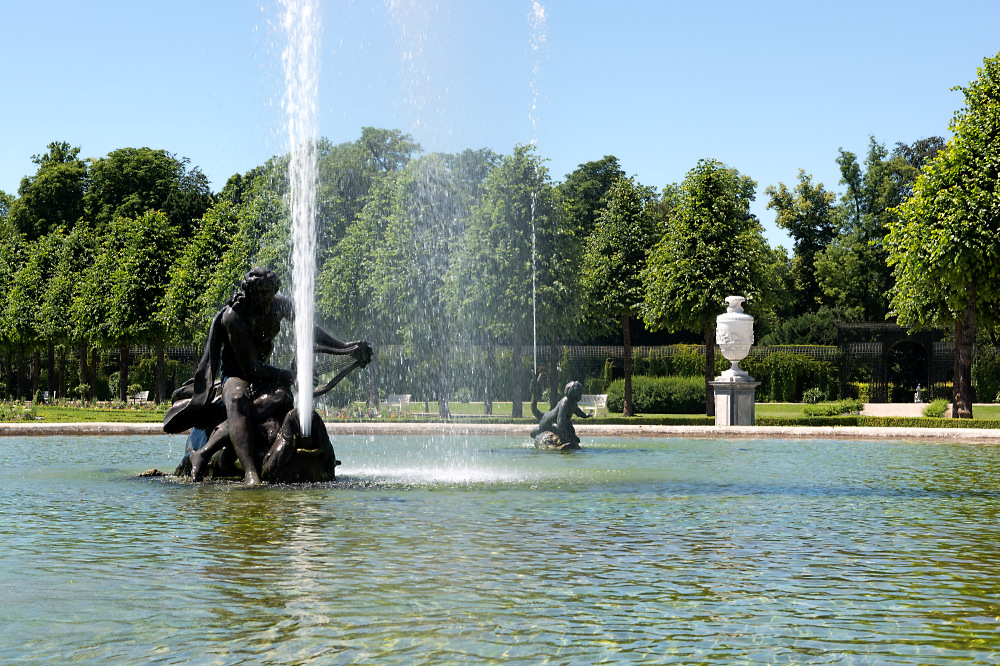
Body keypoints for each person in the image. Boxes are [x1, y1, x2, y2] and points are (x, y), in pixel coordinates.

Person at [175, 267, 371, 484]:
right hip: (237, 374)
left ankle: (207, 451)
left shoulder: (280, 305)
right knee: (238, 399)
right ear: (248, 292)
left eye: (267, 292)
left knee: (282, 397)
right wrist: (291, 375)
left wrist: (344, 347)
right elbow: (250, 367)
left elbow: (308, 329)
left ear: (274, 291)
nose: (262, 298)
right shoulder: (234, 317)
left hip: (264, 375)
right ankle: (250, 471)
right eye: (257, 292)